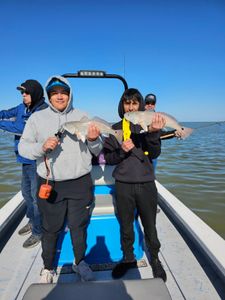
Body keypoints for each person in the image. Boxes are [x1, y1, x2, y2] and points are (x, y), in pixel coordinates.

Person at [18, 76, 103, 283]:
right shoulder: (37, 119)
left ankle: (79, 262)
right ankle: (48, 267)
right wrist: (41, 147)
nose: (59, 96)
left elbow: (97, 149)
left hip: (80, 182)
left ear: (70, 94)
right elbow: (23, 148)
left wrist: (93, 140)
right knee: (50, 227)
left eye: (63, 92)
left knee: (79, 226)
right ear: (48, 95)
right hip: (50, 183)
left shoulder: (83, 116)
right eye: (54, 92)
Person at [103, 88, 167, 282]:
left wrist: (153, 134)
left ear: (140, 105)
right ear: (122, 106)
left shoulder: (147, 126)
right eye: (127, 103)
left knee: (150, 224)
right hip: (123, 184)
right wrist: (122, 151)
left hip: (147, 183)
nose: (130, 107)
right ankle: (128, 257)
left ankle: (155, 259)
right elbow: (109, 158)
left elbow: (154, 154)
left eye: (134, 103)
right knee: (125, 224)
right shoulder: (114, 128)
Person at [0, 80, 48, 248]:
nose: (23, 96)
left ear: (34, 93)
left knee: (36, 198)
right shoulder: (22, 107)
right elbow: (7, 113)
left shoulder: (42, 111)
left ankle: (38, 231)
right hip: (24, 159)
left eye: (25, 93)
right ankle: (32, 220)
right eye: (22, 93)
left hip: (37, 161)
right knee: (26, 194)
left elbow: (19, 127)